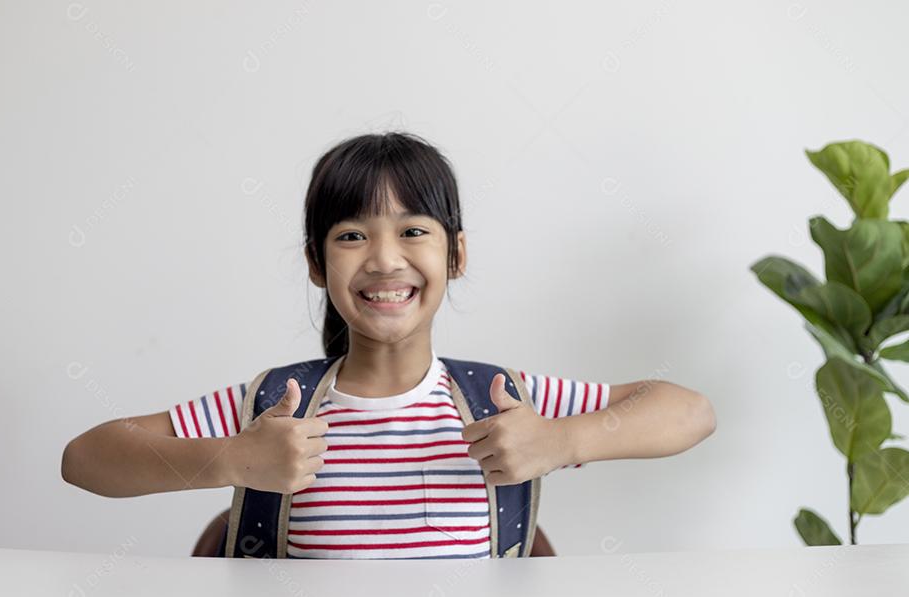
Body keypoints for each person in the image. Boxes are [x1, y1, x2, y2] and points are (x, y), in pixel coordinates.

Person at [61, 131, 716, 559]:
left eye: (412, 231)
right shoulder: (276, 408)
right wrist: (235, 458)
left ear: (455, 254)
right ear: (317, 264)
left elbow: (689, 411)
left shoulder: (503, 401)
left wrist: (563, 441)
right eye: (351, 236)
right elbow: (86, 458)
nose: (382, 259)